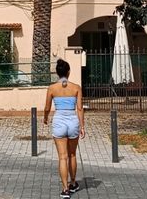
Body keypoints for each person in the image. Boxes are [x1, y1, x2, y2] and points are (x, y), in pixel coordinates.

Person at [44, 58, 85, 199]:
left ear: (57, 73)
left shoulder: (52, 88)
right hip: (73, 121)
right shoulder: (76, 87)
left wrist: (45, 118)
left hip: (59, 121)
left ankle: (65, 189)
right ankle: (73, 183)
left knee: (62, 157)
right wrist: (82, 126)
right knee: (72, 155)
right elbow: (79, 108)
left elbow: (47, 107)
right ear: (68, 72)